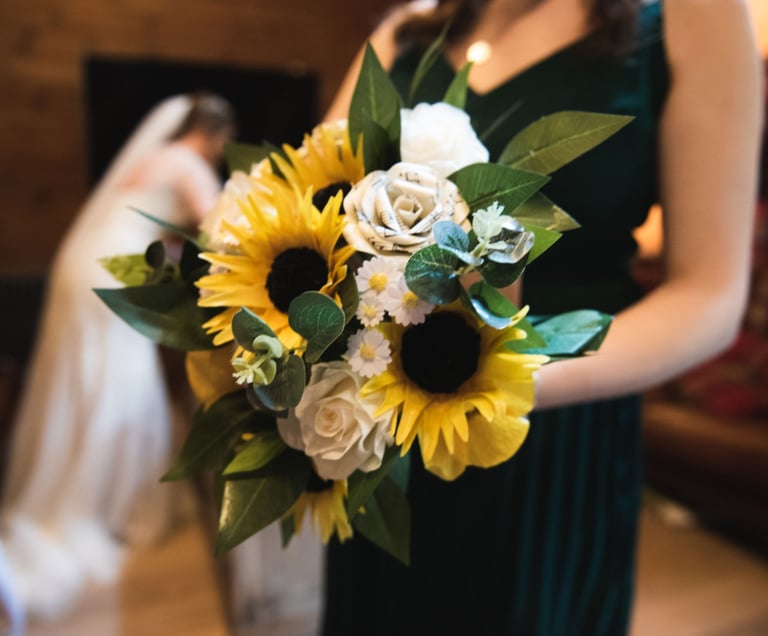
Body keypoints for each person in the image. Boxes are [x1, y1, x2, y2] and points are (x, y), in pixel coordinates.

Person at [321, 1, 763, 634]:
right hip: (384, 438)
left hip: (549, 448)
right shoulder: (409, 30)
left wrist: (494, 383)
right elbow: (313, 203)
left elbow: (710, 297)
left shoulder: (694, 15)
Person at [0, 92, 235, 622]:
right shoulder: (189, 165)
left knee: (87, 382)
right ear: (216, 136)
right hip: (115, 274)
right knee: (122, 386)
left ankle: (81, 495)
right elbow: (225, 230)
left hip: (89, 263)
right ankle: (108, 509)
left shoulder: (153, 157)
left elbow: (156, 239)